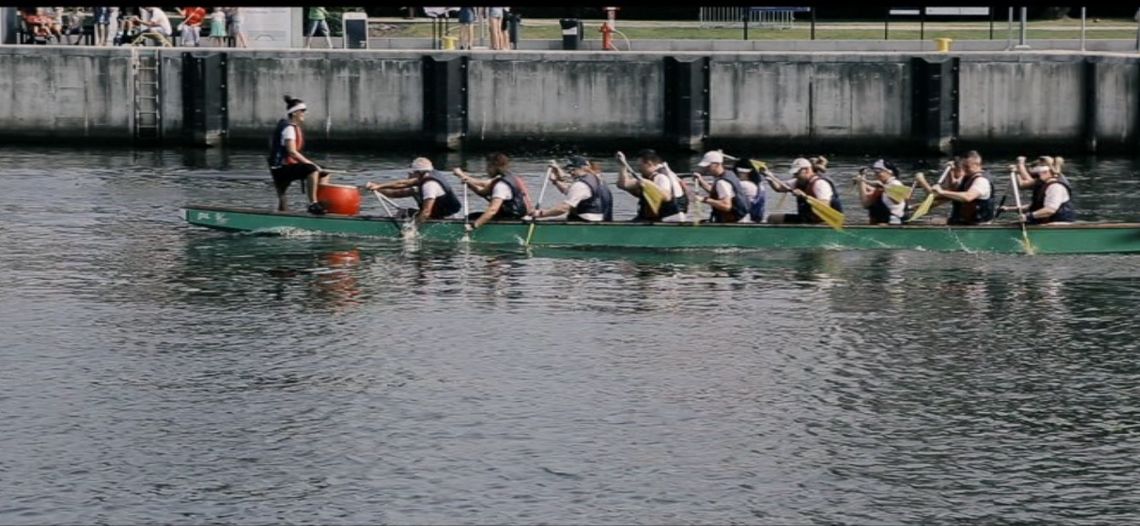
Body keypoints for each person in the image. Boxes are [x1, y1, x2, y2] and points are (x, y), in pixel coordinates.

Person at [267, 95, 330, 214]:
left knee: (324, 172)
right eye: (303, 111)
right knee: (312, 169)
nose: (304, 113)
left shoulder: (292, 127)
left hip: (286, 166)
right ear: (295, 113)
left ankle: (319, 203)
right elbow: (292, 152)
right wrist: (311, 164)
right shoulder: (289, 129)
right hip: (280, 168)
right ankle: (313, 204)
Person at [365, 158, 463, 224]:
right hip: (438, 214)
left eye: (411, 173)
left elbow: (426, 212)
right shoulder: (425, 176)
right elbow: (401, 185)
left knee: (406, 215)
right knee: (404, 213)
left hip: (445, 218)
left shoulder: (430, 186)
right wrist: (378, 187)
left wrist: (412, 230)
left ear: (419, 173)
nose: (408, 175)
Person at [452, 152, 533, 229]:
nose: (486, 169)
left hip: (510, 217)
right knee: (473, 216)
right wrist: (469, 184)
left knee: (472, 218)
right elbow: (482, 192)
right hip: (511, 214)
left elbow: (492, 210)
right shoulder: (506, 178)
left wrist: (474, 225)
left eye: (488, 166)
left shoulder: (501, 185)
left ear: (494, 167)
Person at [532, 155, 613, 222]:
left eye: (573, 169)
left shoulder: (581, 185)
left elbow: (563, 208)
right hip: (602, 220)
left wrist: (540, 214)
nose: (571, 172)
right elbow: (569, 191)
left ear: (583, 168)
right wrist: (555, 181)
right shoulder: (597, 179)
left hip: (585, 222)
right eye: (569, 170)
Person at [765, 157, 843, 224]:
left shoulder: (820, 184)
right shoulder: (797, 181)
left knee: (774, 219)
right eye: (794, 173)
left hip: (824, 221)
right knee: (772, 218)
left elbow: (825, 206)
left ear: (807, 170)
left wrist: (805, 196)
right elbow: (778, 188)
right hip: (807, 218)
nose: (794, 175)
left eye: (796, 173)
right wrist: (769, 177)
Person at [616, 149, 687, 222]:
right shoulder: (663, 174)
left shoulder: (661, 177)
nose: (639, 169)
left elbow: (667, 196)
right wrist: (622, 165)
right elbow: (623, 185)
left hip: (666, 220)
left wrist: (648, 183)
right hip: (659, 219)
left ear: (649, 164)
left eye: (640, 165)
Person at [927, 150, 994, 225]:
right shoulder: (968, 177)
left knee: (932, 223)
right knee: (932, 221)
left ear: (977, 165)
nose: (964, 170)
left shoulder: (981, 181)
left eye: (967, 167)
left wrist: (942, 192)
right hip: (962, 221)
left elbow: (968, 197)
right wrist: (951, 171)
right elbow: (954, 189)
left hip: (977, 224)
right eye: (963, 166)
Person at [1003, 156, 1075, 224]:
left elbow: (1050, 210)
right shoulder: (1044, 184)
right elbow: (1034, 207)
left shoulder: (1055, 187)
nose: (1037, 177)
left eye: (1038, 174)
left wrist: (1028, 216)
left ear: (1047, 172)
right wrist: (1009, 209)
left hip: (1059, 222)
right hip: (1046, 220)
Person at [692, 150, 750, 223]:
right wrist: (701, 182)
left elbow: (726, 206)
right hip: (741, 218)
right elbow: (718, 193)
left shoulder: (722, 182)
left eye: (708, 166)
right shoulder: (729, 174)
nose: (706, 169)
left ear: (717, 164)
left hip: (734, 222)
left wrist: (704, 199)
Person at [855, 158, 910, 225]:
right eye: (875, 171)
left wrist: (863, 181)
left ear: (890, 172)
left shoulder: (895, 183)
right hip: (882, 221)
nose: (876, 174)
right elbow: (866, 203)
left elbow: (898, 200)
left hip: (893, 222)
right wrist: (861, 181)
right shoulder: (884, 186)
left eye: (878, 171)